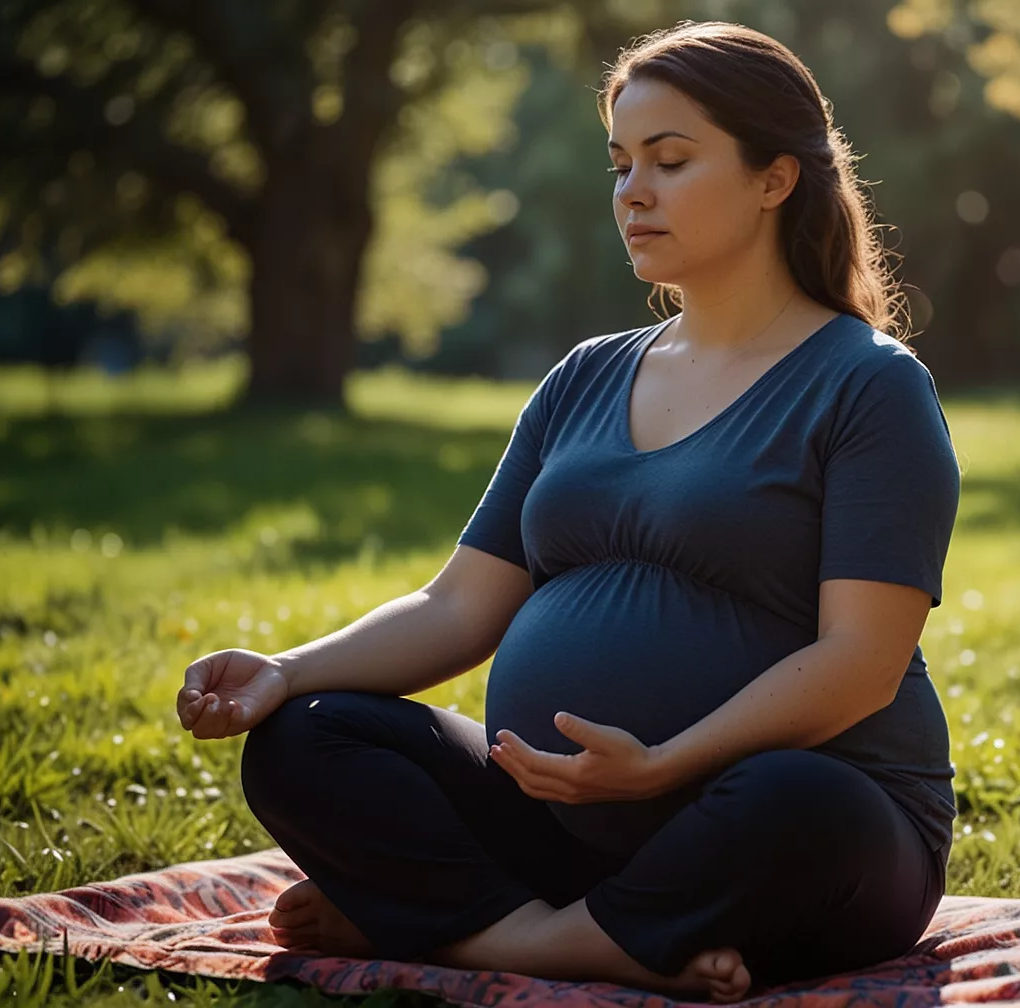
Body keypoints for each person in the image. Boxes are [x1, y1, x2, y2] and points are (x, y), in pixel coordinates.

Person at [174, 20, 962, 1004]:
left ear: (774, 178)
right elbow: (458, 608)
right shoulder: (584, 378)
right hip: (558, 824)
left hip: (800, 825)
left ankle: (465, 932)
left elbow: (860, 665)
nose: (633, 191)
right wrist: (284, 672)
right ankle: (585, 939)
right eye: (621, 163)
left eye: (671, 161)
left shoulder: (868, 387)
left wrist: (662, 765)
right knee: (309, 734)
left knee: (799, 802)